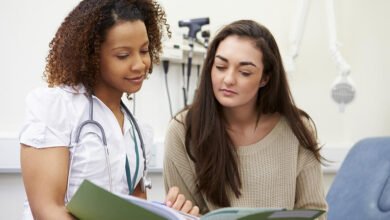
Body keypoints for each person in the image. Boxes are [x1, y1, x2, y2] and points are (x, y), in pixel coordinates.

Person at [19, 0, 197, 219]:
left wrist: (170, 213)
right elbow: (47, 210)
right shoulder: (55, 109)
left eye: (144, 50)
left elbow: (133, 210)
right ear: (91, 56)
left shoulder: (138, 131)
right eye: (123, 55)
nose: (139, 64)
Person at [163, 19, 328, 218]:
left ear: (265, 78)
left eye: (244, 72)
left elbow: (315, 214)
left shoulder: (298, 129)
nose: (229, 79)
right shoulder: (182, 130)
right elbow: (184, 214)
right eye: (221, 66)